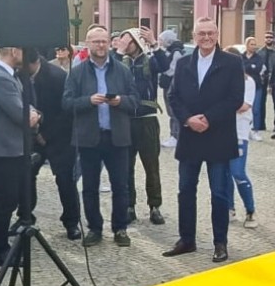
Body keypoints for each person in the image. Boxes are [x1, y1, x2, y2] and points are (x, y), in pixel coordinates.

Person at [162, 18, 244, 262]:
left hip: (218, 135)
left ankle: (220, 242)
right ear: (194, 36)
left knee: (219, 192)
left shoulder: (232, 62)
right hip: (190, 136)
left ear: (217, 35)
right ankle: (186, 239)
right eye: (201, 33)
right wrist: (188, 119)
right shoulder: (184, 63)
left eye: (210, 33)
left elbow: (235, 98)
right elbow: (173, 96)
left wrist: (208, 118)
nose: (206, 37)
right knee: (185, 190)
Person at [63, 26, 139, 248]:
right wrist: (88, 101)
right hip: (89, 138)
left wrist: (120, 101)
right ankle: (94, 228)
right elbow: (66, 104)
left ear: (110, 43)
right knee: (90, 187)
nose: (100, 45)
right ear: (88, 44)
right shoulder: (76, 72)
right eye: (96, 41)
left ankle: (120, 228)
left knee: (121, 186)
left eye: (104, 41)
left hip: (117, 137)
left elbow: (135, 100)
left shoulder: (123, 70)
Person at [0, 46, 42, 265]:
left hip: (10, 148)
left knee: (6, 201)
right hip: (4, 149)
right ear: (14, 51)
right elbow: (23, 115)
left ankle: (0, 248)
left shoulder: (5, 74)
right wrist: (33, 115)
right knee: (4, 203)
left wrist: (32, 114)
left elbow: (27, 108)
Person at [25, 48, 82, 240]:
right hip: (32, 135)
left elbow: (67, 112)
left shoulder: (57, 77)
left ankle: (71, 222)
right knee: (26, 176)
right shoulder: (20, 74)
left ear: (34, 63)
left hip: (60, 137)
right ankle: (26, 216)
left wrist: (46, 134)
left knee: (65, 180)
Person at [115, 27, 167, 225]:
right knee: (126, 166)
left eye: (127, 41)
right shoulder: (119, 62)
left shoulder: (149, 60)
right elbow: (108, 73)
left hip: (147, 119)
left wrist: (154, 44)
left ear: (136, 42)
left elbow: (165, 65)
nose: (124, 44)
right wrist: (119, 51)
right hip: (126, 119)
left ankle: (155, 206)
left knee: (151, 166)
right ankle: (129, 206)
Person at [224, 47, 258, 228]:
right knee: (224, 174)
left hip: (239, 132)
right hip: (221, 132)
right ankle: (229, 208)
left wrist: (221, 107)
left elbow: (244, 106)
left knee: (237, 172)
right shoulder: (220, 80)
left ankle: (250, 210)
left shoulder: (248, 81)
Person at [158, 29, 185, 148]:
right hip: (169, 84)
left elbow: (173, 69)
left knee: (173, 111)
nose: (160, 42)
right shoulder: (170, 51)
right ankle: (174, 136)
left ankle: (175, 136)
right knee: (171, 112)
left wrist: (163, 72)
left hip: (172, 85)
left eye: (161, 40)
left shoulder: (176, 52)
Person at [243, 37, 266, 141]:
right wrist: (250, 66)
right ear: (247, 45)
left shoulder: (258, 57)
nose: (253, 46)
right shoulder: (241, 57)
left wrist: (248, 68)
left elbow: (257, 68)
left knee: (256, 109)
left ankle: (256, 130)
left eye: (254, 44)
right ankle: (246, 130)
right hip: (243, 87)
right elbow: (240, 68)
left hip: (257, 87)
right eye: (251, 44)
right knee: (245, 109)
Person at [258, 31, 275, 131]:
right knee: (261, 103)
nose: (268, 39)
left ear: (274, 39)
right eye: (267, 37)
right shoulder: (259, 52)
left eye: (270, 37)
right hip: (262, 79)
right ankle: (261, 124)